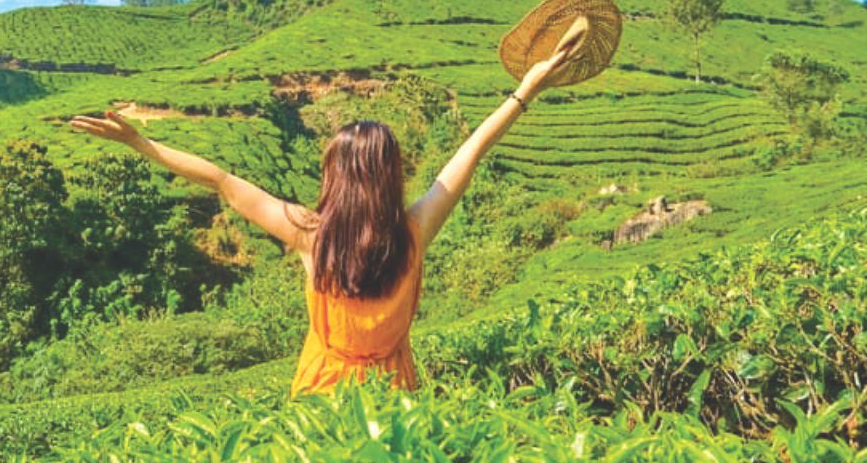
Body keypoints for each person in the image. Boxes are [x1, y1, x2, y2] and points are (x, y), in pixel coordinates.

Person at [70, 43, 579, 395]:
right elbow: (470, 153)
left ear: (334, 176)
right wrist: (525, 89)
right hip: (394, 400)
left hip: (319, 399)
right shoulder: (414, 231)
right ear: (390, 176)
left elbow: (221, 180)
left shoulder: (307, 233)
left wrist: (142, 143)